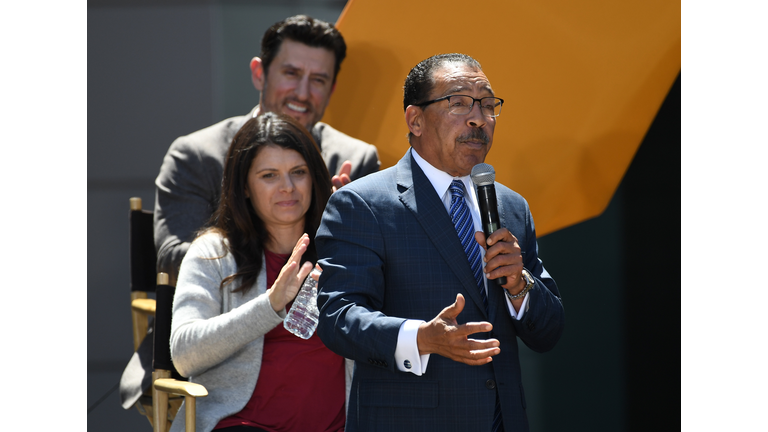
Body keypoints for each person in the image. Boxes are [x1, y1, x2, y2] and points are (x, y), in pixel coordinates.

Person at [315, 53, 565, 432]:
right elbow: (338, 318)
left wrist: (520, 285)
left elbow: (548, 332)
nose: (478, 118)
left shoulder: (511, 207)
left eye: (487, 104)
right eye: (459, 102)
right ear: (415, 120)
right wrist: (421, 338)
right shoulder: (362, 203)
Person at [155, 14, 380, 286]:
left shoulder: (354, 160)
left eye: (318, 80)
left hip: (319, 323)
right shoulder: (197, 155)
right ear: (259, 74)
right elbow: (172, 259)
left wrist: (343, 224)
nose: (302, 92)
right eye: (291, 74)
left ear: (331, 90)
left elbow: (375, 267)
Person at [168, 112, 353, 432]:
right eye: (269, 175)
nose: (287, 187)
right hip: (240, 425)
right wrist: (269, 305)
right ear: (245, 188)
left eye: (298, 172)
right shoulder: (213, 253)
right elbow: (184, 354)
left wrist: (354, 222)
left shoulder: (342, 249)